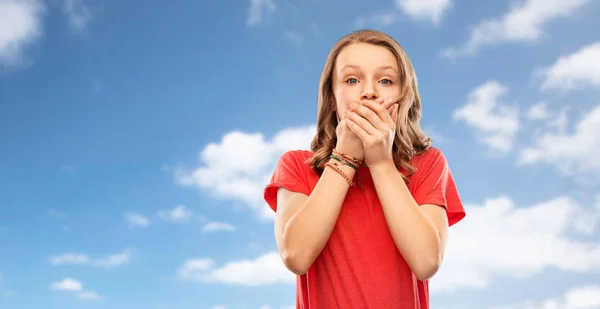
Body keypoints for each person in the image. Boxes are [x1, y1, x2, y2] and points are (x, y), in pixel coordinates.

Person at [263, 29, 466, 309]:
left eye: (385, 80)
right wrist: (345, 156)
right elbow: (295, 256)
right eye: (352, 79)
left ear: (402, 97)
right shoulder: (297, 167)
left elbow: (427, 262)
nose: (369, 91)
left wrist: (380, 162)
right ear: (332, 99)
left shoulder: (428, 164)